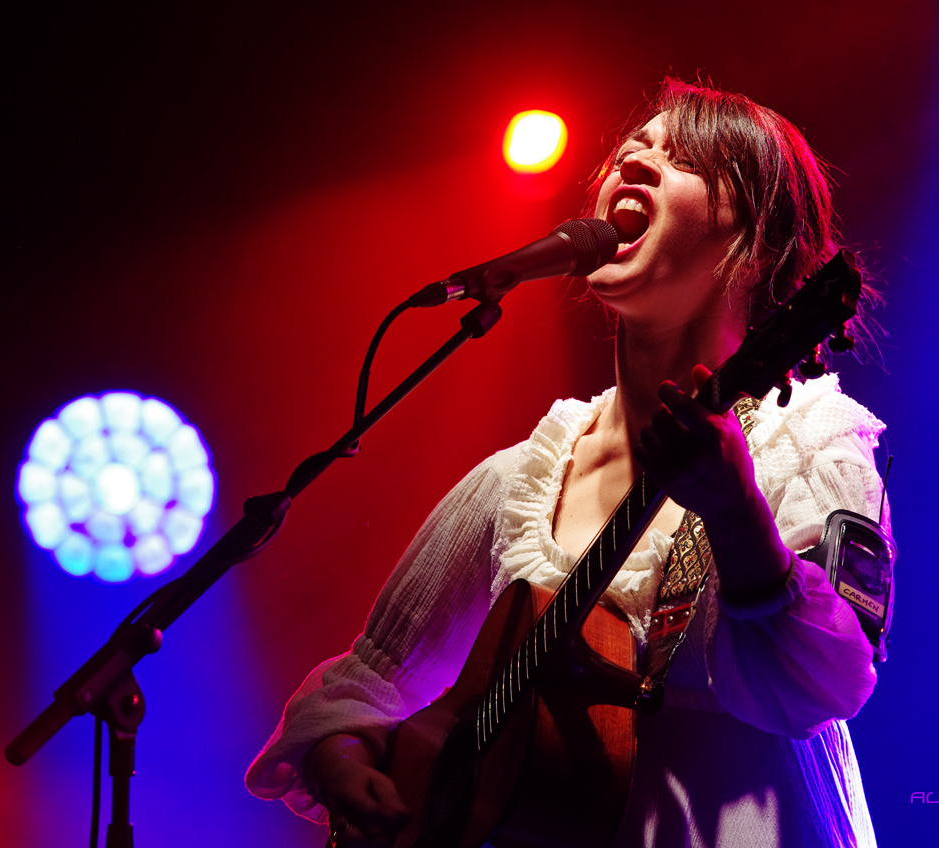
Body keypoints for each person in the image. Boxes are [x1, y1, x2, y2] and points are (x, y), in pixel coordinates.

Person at [246, 78, 890, 848]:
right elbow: (373, 678)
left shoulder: (807, 442)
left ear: (755, 251)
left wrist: (734, 510)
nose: (634, 163)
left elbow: (828, 683)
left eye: (685, 160)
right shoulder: (517, 481)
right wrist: (343, 758)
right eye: (630, 152)